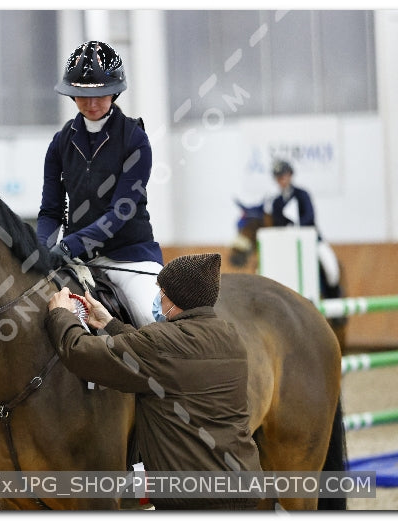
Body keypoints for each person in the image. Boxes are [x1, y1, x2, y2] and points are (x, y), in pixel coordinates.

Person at [45, 253, 261, 510]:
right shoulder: (230, 336)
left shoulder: (161, 343)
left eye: (163, 291)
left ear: (177, 299)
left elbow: (79, 351)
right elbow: (162, 358)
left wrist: (61, 314)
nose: (158, 297)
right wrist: (111, 324)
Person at [37, 40, 163, 327]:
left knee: (151, 317)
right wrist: (40, 250)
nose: (92, 104)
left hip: (129, 259)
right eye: (82, 95)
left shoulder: (134, 139)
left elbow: (121, 212)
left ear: (114, 92)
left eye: (101, 95)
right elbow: (50, 212)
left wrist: (69, 246)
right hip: (79, 264)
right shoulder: (60, 143)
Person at [269, 159, 341, 299]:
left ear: (290, 175)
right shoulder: (276, 202)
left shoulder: (302, 194)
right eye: (278, 178)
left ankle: (334, 298)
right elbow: (276, 223)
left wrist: (296, 227)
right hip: (288, 244)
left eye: (283, 176)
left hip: (312, 241)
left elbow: (310, 216)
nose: (281, 180)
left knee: (331, 268)